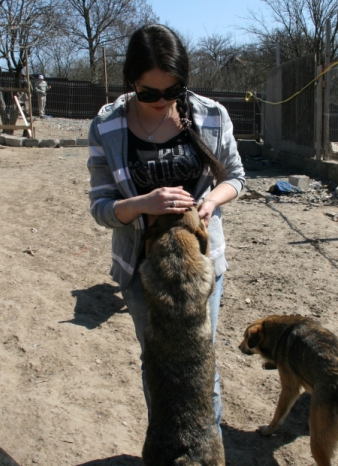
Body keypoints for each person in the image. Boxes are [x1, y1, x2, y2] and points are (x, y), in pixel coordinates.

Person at [86, 24, 245, 432]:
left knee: (200, 361)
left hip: (200, 268)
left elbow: (237, 178)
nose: (161, 102)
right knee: (156, 364)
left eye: (172, 91)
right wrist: (143, 204)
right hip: (141, 270)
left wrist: (210, 201)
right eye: (148, 93)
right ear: (130, 83)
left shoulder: (211, 114)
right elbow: (101, 208)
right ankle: (165, 447)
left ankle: (206, 445)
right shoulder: (106, 125)